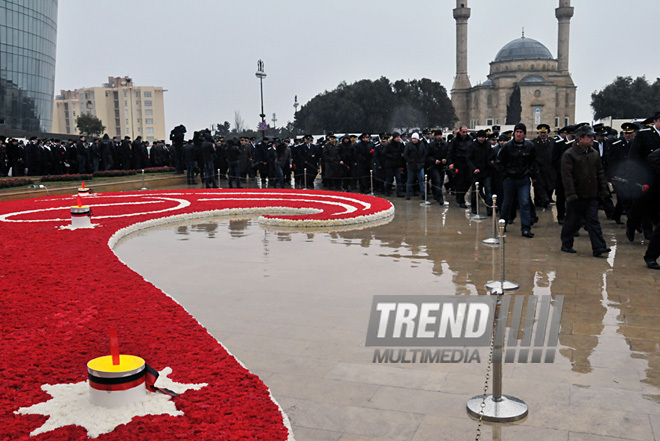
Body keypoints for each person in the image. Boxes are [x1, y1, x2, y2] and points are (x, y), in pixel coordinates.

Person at [560, 125, 611, 257]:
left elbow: (600, 172)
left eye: (592, 136)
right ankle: (566, 243)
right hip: (576, 195)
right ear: (580, 138)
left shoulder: (594, 153)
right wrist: (571, 194)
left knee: (593, 221)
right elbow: (567, 176)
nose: (592, 139)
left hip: (591, 195)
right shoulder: (569, 154)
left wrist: (603, 189)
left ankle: (599, 247)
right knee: (572, 221)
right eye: (589, 136)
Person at [496, 123, 536, 237]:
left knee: (525, 203)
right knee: (507, 203)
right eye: (517, 132)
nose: (519, 134)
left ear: (524, 134)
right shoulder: (507, 146)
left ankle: (526, 228)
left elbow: (533, 161)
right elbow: (499, 162)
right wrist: (504, 174)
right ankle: (502, 225)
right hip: (510, 178)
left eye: (521, 132)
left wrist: (531, 174)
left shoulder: (530, 146)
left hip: (523, 178)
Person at [467, 130, 493, 215]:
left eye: (482, 137)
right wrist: (474, 168)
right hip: (476, 172)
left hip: (486, 172)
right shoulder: (472, 146)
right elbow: (469, 159)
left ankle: (489, 209)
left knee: (488, 191)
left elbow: (490, 157)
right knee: (475, 191)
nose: (481, 139)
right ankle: (474, 208)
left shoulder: (488, 145)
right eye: (479, 137)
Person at [448, 126, 472, 208]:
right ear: (460, 132)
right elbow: (450, 151)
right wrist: (450, 162)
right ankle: (461, 199)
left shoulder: (470, 139)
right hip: (459, 163)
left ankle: (460, 196)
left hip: (468, 163)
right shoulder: (455, 140)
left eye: (466, 132)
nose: (465, 134)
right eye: (463, 132)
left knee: (469, 181)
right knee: (460, 182)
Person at [532, 124, 555, 208]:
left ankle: (546, 200)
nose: (542, 134)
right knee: (539, 187)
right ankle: (540, 201)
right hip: (539, 170)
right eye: (541, 132)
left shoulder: (552, 142)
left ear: (547, 133)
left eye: (544, 132)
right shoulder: (534, 142)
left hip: (550, 169)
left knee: (550, 187)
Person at [404, 132, 426, 200]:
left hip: (419, 165)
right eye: (413, 138)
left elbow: (424, 154)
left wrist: (422, 162)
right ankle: (408, 194)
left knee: (421, 180)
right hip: (411, 165)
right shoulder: (408, 145)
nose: (414, 140)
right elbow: (406, 154)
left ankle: (423, 194)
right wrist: (410, 161)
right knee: (410, 180)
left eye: (415, 139)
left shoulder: (422, 145)